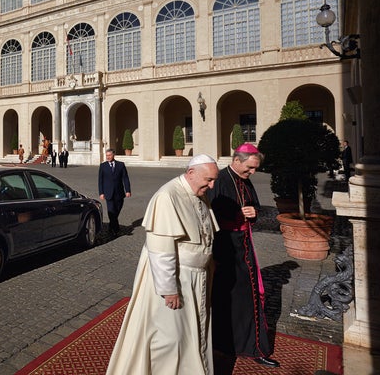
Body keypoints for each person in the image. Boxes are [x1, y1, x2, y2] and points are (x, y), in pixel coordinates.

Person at [106, 155, 219, 375]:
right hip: (176, 279)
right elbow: (161, 251)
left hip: (196, 278)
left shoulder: (199, 192)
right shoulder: (167, 196)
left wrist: (210, 262)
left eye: (214, 180)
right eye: (208, 179)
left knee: (192, 333)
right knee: (170, 338)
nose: (212, 185)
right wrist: (169, 290)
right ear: (191, 173)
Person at [208, 143, 280, 368]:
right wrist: (235, 214)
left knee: (250, 298)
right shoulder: (218, 180)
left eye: (255, 168)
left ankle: (253, 346)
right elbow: (207, 214)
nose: (253, 173)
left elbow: (255, 205)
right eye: (250, 168)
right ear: (236, 160)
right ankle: (222, 345)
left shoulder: (245, 180)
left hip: (245, 246)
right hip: (224, 247)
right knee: (223, 298)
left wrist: (254, 212)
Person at [98, 149, 131, 236]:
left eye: (109, 155)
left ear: (113, 155)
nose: (108, 157)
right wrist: (101, 193)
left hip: (119, 192)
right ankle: (115, 229)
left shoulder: (121, 165)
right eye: (107, 155)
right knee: (111, 211)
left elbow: (125, 178)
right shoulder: (103, 166)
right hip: (108, 193)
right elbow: (100, 180)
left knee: (117, 210)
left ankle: (111, 226)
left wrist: (128, 190)